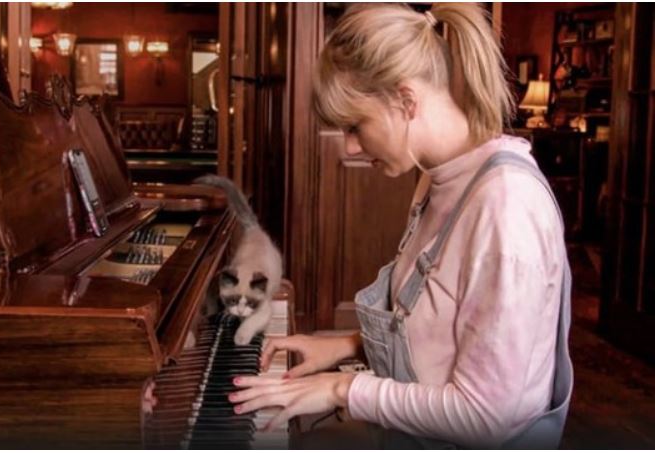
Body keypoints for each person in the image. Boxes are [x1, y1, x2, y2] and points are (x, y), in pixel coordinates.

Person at [228, 3, 573, 448]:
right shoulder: (437, 176)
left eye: (355, 126)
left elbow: (488, 418)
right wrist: (347, 346)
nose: (351, 148)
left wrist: (341, 387)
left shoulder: (506, 207)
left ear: (406, 101)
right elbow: (439, 326)